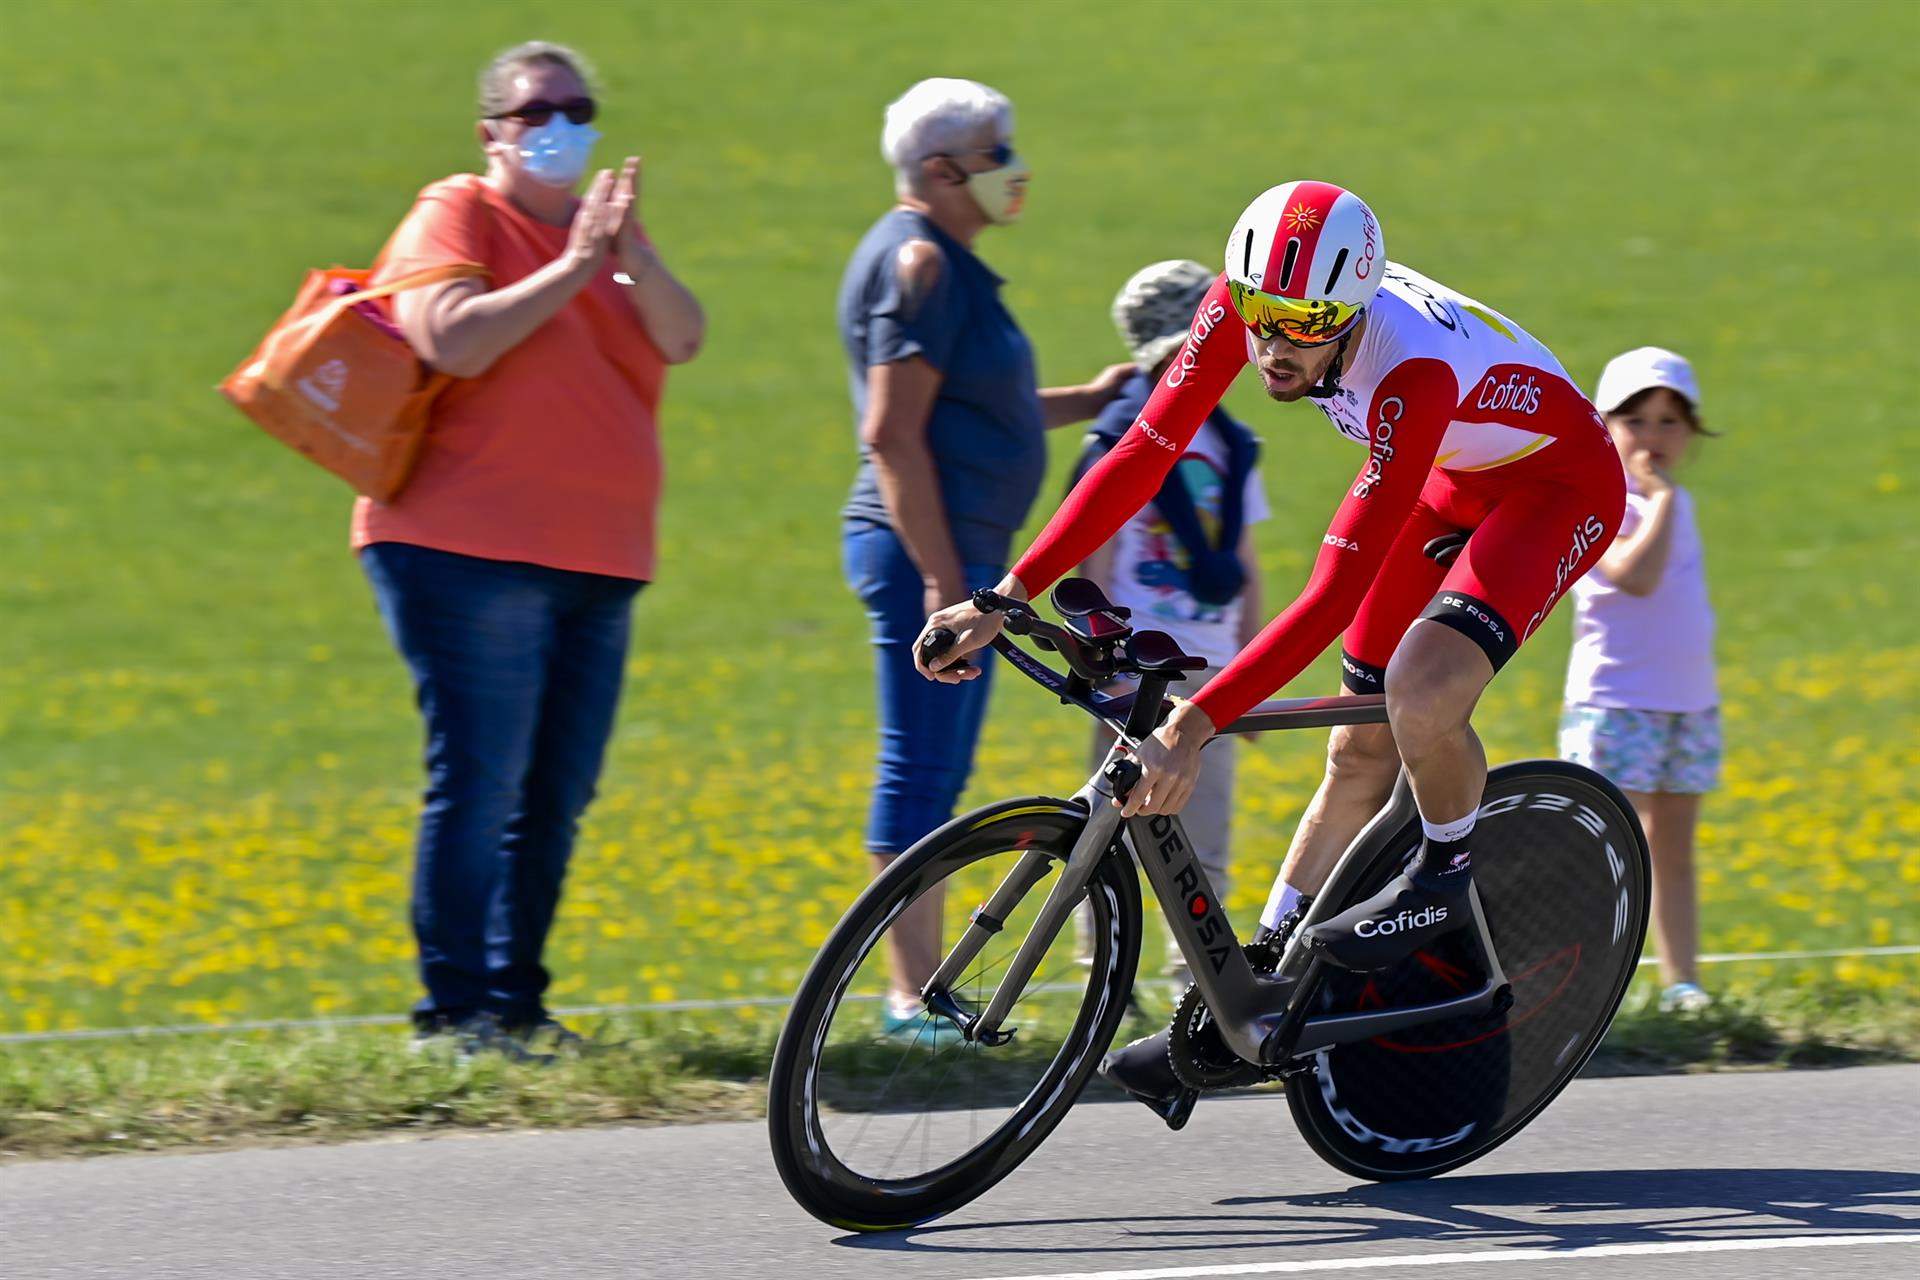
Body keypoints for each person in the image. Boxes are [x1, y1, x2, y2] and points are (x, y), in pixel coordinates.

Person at [918, 180, 1627, 1119]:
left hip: (1556, 485)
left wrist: (1197, 723)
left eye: (1307, 325)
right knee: (1356, 748)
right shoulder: (1240, 302)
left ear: (1354, 310)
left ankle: (1448, 875)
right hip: (1448, 477)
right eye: (1262, 317)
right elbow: (1142, 450)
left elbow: (1330, 595)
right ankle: (1266, 970)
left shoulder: (1409, 369)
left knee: (1422, 689)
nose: (1274, 346)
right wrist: (1004, 597)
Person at [356, 41, 705, 1057]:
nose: (557, 124)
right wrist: (571, 268)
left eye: (576, 107)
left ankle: (514, 1004)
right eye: (532, 110)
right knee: (482, 777)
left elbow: (682, 336)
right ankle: (451, 1010)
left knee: (555, 790)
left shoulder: (609, 243)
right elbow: (452, 338)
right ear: (491, 132)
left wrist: (627, 247)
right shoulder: (459, 211)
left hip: (597, 556)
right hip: (463, 545)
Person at [840, 78, 1134, 1038]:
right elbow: (892, 435)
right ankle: (908, 998)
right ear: (939, 169)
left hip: (960, 557)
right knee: (920, 771)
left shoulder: (943, 265)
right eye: (994, 149)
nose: (1011, 167)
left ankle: (920, 990)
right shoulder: (921, 263)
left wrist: (1089, 401)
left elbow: (978, 408)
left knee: (934, 770)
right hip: (934, 558)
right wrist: (939, 581)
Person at [1075, 260, 1267, 984]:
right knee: (1105, 827)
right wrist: (1102, 654)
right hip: (1137, 668)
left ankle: (1200, 986)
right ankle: (1102, 980)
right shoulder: (1124, 436)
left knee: (1205, 836)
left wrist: (1250, 657)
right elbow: (1096, 550)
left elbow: (1242, 558)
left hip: (1210, 668)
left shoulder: (1232, 446)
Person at [1560, 348, 1720, 1014]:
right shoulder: (1602, 500)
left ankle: (1681, 983)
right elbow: (1635, 575)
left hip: (1687, 703)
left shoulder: (1669, 502)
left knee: (1672, 851)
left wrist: (1663, 502)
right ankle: (1588, 987)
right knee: (1604, 855)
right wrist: (1657, 502)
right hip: (1615, 704)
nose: (1653, 438)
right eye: (1637, 421)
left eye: (1669, 422)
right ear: (1605, 425)